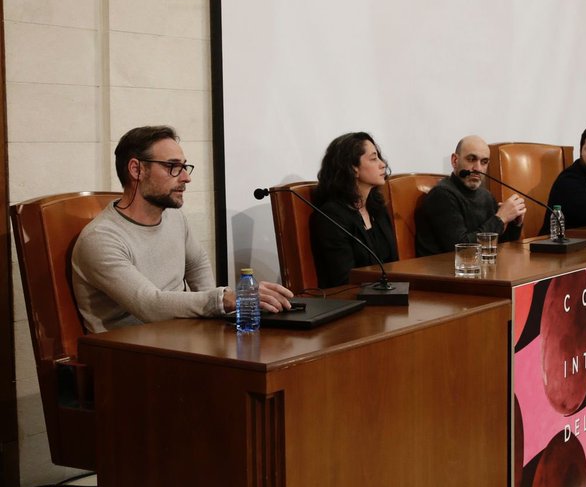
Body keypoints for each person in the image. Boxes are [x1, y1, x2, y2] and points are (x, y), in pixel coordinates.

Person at [72, 125, 293, 332]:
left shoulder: (174, 217)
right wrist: (223, 299)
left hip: (178, 338)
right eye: (173, 167)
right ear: (136, 169)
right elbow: (149, 304)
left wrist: (220, 316)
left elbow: (197, 264)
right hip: (128, 354)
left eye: (184, 167)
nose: (186, 178)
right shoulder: (100, 238)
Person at [310, 132, 398, 287]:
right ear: (353, 168)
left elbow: (394, 265)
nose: (382, 164)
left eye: (379, 157)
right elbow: (344, 279)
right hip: (351, 301)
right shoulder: (331, 216)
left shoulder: (377, 208)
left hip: (388, 295)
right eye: (373, 158)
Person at [415, 135, 525, 256]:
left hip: (479, 270)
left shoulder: (486, 196)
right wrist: (500, 219)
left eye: (484, 162)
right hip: (444, 271)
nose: (478, 168)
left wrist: (514, 222)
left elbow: (500, 246)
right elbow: (461, 249)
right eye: (471, 159)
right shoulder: (441, 195)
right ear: (454, 160)